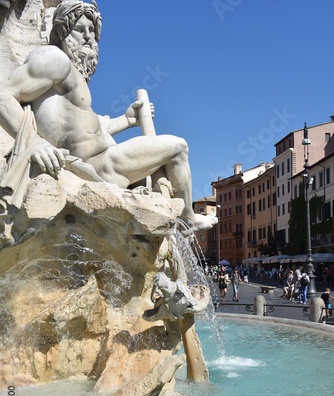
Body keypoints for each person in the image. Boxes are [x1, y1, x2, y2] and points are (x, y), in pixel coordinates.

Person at [0, 0, 217, 235]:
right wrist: (34, 143)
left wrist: (126, 120)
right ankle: (189, 219)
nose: (87, 37)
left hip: (100, 161)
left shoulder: (70, 79)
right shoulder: (55, 59)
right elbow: (3, 97)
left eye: (92, 32)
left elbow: (83, 131)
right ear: (63, 32)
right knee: (179, 147)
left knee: (164, 161)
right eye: (79, 30)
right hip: (103, 164)